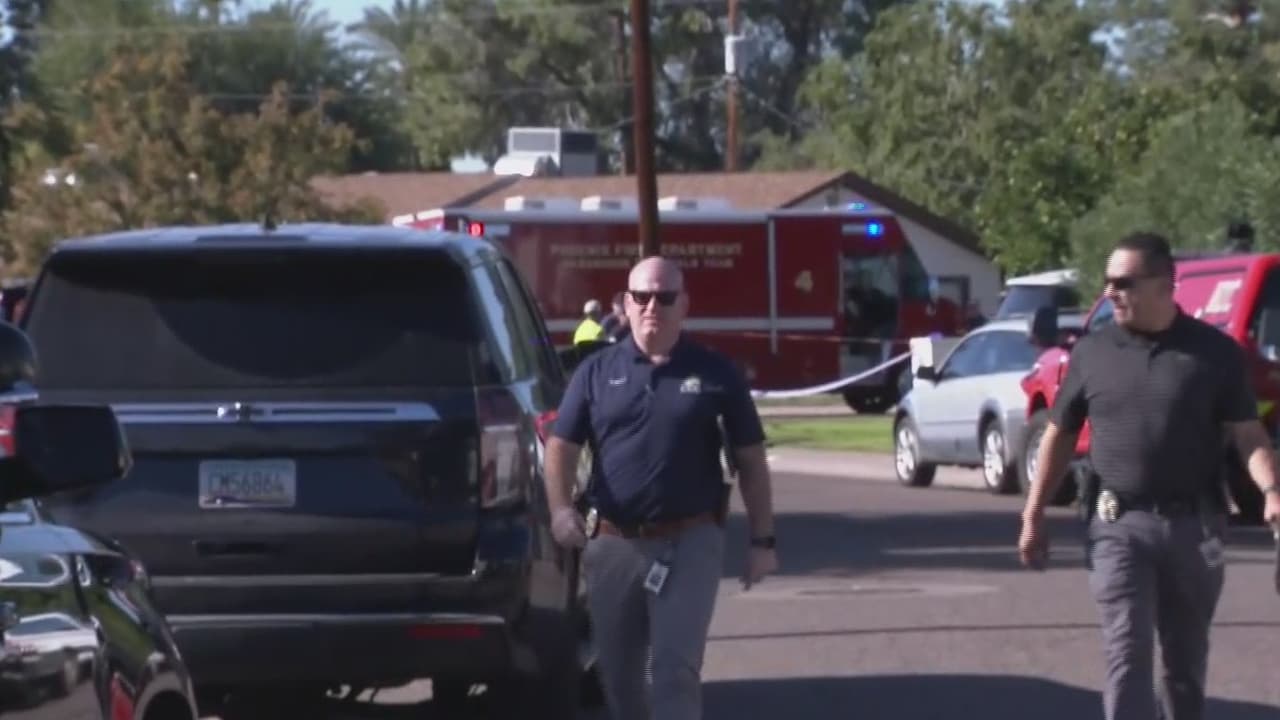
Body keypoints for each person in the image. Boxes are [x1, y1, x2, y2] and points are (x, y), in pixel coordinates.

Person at [1018, 232, 1280, 720]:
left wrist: (1270, 490)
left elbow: (1248, 434)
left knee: (1184, 663)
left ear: (1164, 285)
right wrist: (1034, 513)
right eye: (1108, 281)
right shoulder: (1092, 353)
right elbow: (1057, 434)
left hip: (1195, 526)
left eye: (1124, 282)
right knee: (1127, 650)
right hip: (1117, 524)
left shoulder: (1214, 354)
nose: (1111, 291)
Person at [544, 256, 779, 720]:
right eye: (643, 296)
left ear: (684, 305)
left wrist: (762, 541)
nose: (653, 306)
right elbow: (561, 446)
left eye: (665, 296)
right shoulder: (594, 372)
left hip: (690, 541)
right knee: (618, 673)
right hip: (612, 543)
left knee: (674, 670)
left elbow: (751, 459)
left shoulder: (715, 372)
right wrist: (559, 509)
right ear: (625, 304)